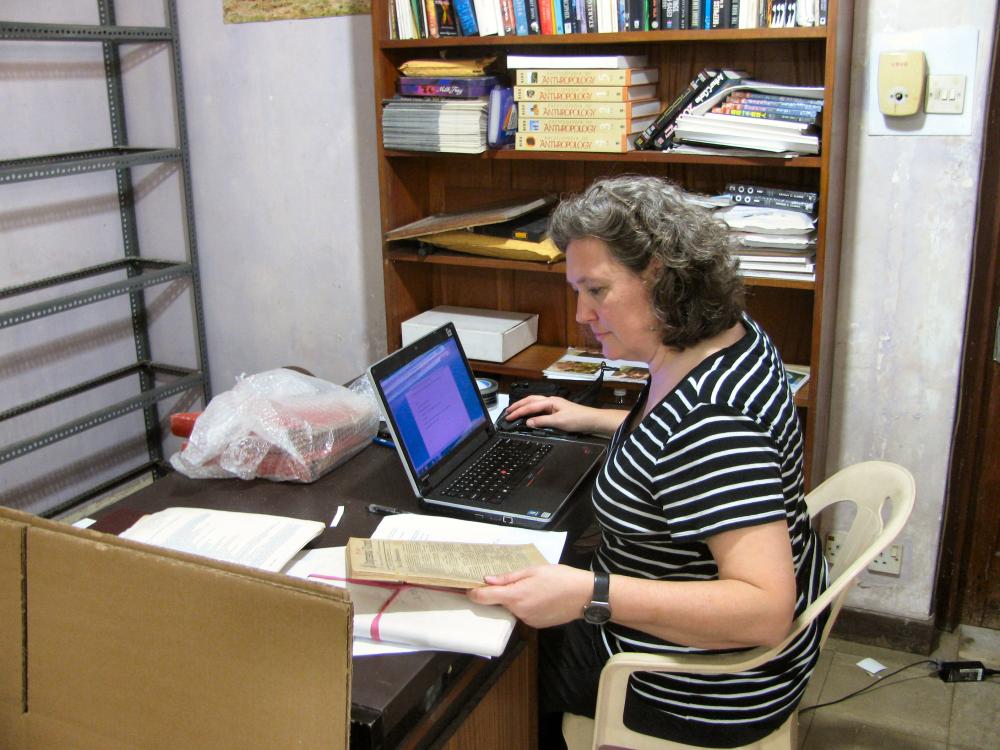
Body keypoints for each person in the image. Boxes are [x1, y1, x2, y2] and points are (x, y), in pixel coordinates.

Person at [467, 175, 828, 748]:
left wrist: (589, 593)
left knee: (486, 663)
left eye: (597, 290)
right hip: (708, 649)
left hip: (692, 685)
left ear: (661, 276)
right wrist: (593, 419)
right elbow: (682, 451)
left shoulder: (715, 419)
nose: (582, 313)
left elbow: (762, 609)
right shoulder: (727, 340)